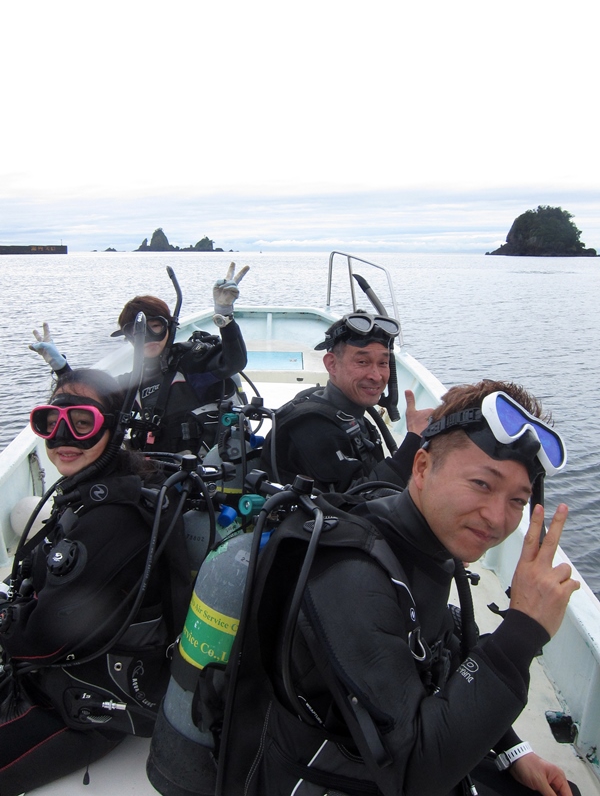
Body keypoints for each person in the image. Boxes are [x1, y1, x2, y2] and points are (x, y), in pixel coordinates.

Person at [230, 379, 581, 796]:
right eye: (482, 484)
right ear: (421, 467)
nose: (496, 518)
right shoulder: (350, 576)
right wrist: (522, 630)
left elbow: (443, 653)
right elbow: (414, 776)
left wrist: (513, 750)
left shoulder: (424, 541)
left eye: (517, 501)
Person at [0, 368, 191, 795]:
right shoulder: (98, 488)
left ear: (114, 426)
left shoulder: (113, 519)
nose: (64, 438)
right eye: (51, 422)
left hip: (81, 703)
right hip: (55, 672)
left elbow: (42, 638)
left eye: (82, 423)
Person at [29, 263, 249, 456]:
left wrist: (225, 316)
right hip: (158, 470)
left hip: (206, 468)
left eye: (156, 327)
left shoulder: (193, 362)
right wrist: (60, 368)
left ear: (170, 327)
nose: (149, 338)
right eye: (139, 332)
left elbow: (234, 362)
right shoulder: (134, 380)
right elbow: (88, 396)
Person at [260, 311, 433, 491]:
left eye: (383, 363)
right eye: (362, 362)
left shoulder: (350, 412)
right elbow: (357, 504)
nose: (376, 376)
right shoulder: (313, 429)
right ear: (332, 364)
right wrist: (414, 439)